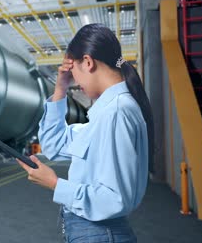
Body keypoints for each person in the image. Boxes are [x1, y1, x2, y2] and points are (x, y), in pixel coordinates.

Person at [17, 23, 154, 243]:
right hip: (93, 232)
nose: (75, 82)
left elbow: (114, 198)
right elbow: (53, 144)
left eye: (74, 72)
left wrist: (54, 183)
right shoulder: (105, 115)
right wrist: (60, 89)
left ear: (88, 62)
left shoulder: (117, 112)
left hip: (100, 233)